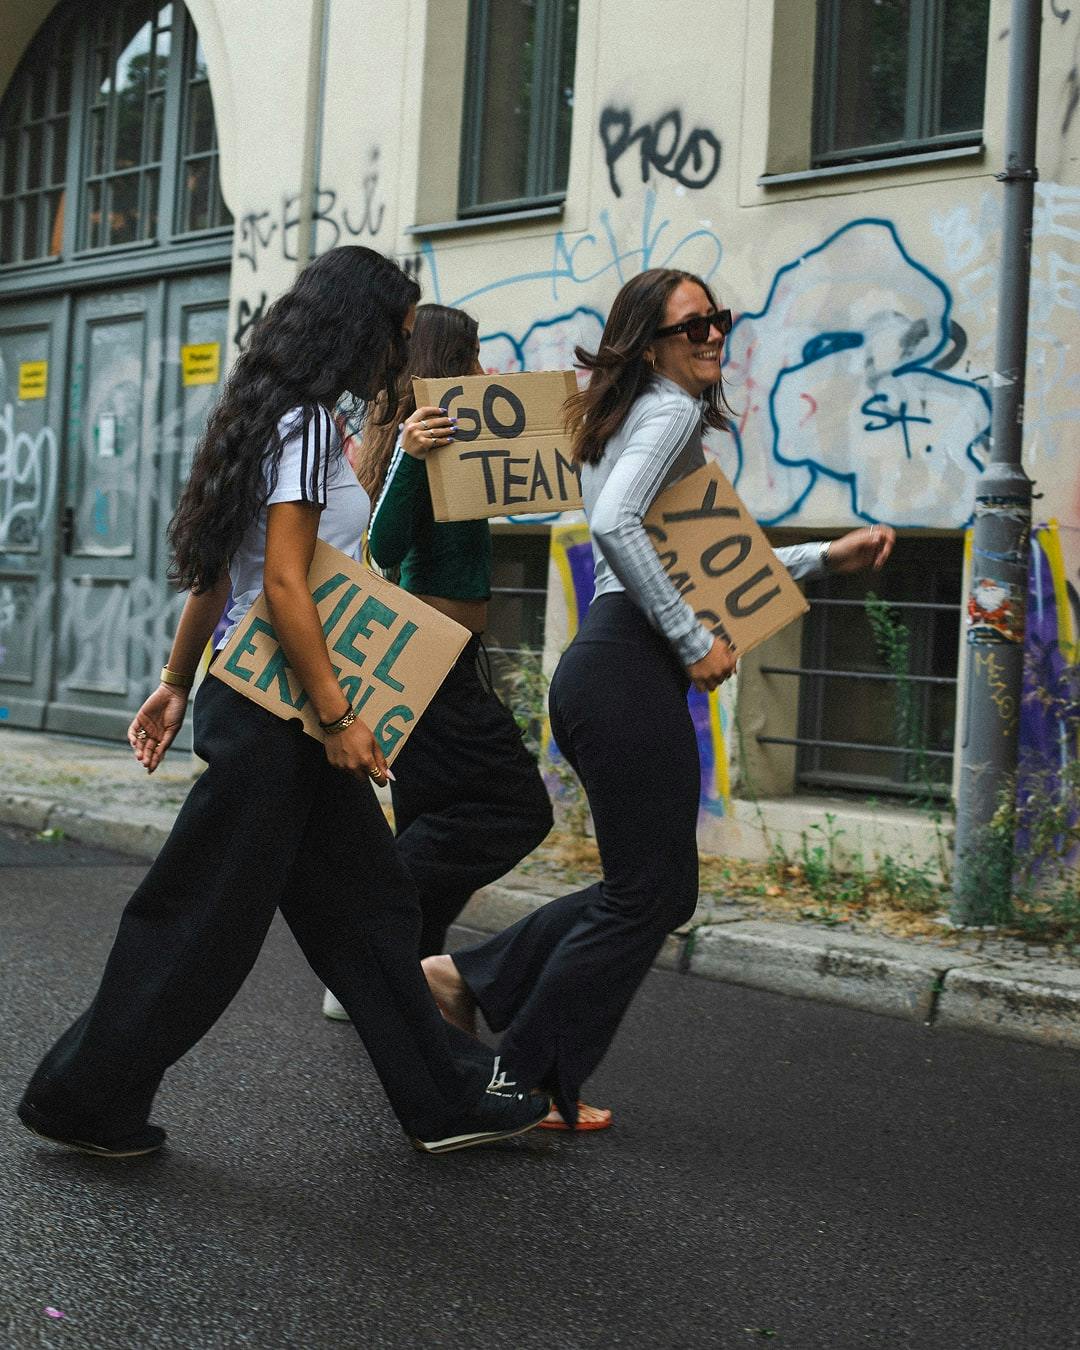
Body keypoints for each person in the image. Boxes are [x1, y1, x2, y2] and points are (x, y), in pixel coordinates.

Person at [16, 247, 550, 1159]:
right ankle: (81, 1099)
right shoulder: (302, 425)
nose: (398, 351)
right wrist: (341, 720)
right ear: (358, 329)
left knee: (371, 911)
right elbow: (284, 588)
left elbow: (217, 579)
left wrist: (177, 684)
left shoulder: (265, 416)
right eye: (394, 331)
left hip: (270, 706)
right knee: (200, 922)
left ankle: (444, 1099)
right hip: (284, 719)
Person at [421, 268, 896, 1128]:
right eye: (693, 326)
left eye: (720, 319)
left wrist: (826, 557)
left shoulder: (637, 419)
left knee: (653, 889)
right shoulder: (668, 411)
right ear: (650, 344)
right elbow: (615, 530)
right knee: (647, 893)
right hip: (629, 669)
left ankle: (471, 983)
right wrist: (690, 639)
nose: (714, 335)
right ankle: (517, 1078)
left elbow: (721, 567)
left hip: (608, 670)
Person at [323, 303, 609, 1132]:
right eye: (475, 354)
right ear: (440, 361)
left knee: (438, 814)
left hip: (447, 657)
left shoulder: (459, 433)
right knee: (512, 809)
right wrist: (413, 453)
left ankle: (405, 979)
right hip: (425, 662)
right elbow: (381, 545)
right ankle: (373, 953)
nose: (487, 366)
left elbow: (532, 492)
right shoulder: (412, 443)